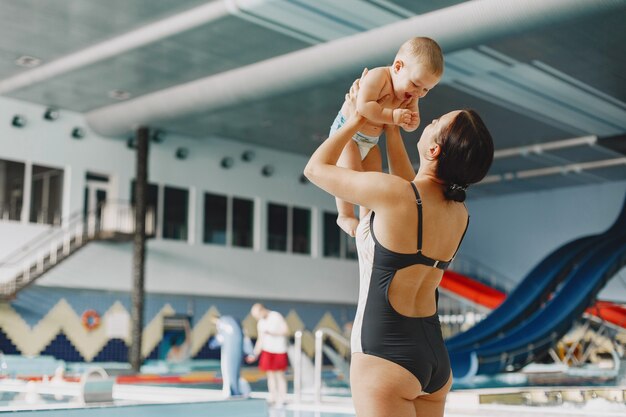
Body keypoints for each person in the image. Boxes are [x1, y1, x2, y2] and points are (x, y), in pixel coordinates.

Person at [304, 75, 494, 417]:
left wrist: (357, 119)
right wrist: (390, 127)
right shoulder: (458, 214)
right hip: (434, 360)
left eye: (436, 122)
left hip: (385, 358)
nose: (429, 120)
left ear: (434, 149)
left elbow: (315, 169)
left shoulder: (398, 197)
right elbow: (412, 187)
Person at [331, 37, 443, 238]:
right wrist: (392, 116)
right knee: (351, 175)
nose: (419, 93)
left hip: (371, 142)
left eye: (426, 90)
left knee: (373, 179)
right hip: (348, 135)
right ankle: (345, 214)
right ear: (398, 67)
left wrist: (409, 122)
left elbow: (411, 122)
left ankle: (366, 218)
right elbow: (363, 106)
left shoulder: (410, 95)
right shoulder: (378, 77)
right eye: (416, 84)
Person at [245, 303, 289, 407]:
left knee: (280, 375)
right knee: (270, 375)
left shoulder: (276, 316)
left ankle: (283, 398)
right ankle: (273, 397)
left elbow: (286, 331)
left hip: (279, 350)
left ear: (262, 310)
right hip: (267, 350)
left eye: (257, 315)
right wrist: (254, 354)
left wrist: (273, 333)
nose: (257, 318)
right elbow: (260, 340)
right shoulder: (260, 323)